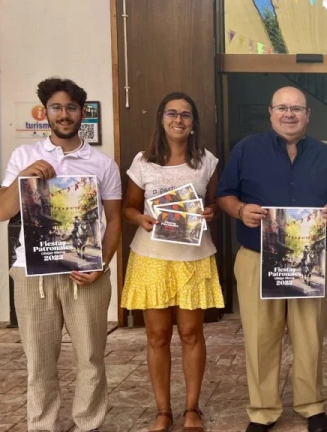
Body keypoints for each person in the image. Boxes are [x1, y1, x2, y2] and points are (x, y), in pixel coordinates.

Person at [216, 86, 327, 432]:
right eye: (282, 108)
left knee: (310, 336)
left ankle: (311, 405)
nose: (289, 114)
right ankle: (263, 410)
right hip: (258, 257)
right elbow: (224, 194)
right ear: (271, 112)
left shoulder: (324, 155)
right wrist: (240, 210)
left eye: (297, 109)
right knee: (260, 337)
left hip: (311, 259)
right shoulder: (246, 150)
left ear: (308, 115)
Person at [0, 77, 122, 432]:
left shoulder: (102, 164)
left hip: (85, 273)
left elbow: (114, 221)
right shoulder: (24, 156)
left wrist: (102, 264)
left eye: (71, 108)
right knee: (39, 361)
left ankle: (89, 424)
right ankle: (42, 425)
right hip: (32, 273)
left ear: (82, 113)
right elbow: (1, 211)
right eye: (56, 108)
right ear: (45, 112)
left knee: (91, 357)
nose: (64, 114)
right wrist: (24, 177)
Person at [121, 92, 224, 432]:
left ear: (194, 123)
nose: (178, 120)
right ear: (161, 119)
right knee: (157, 336)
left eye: (185, 114)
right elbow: (129, 207)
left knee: (192, 334)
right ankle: (163, 411)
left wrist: (211, 212)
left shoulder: (206, 162)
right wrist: (140, 219)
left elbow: (215, 204)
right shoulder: (143, 161)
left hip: (192, 258)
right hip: (152, 258)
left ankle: (192, 409)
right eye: (172, 113)